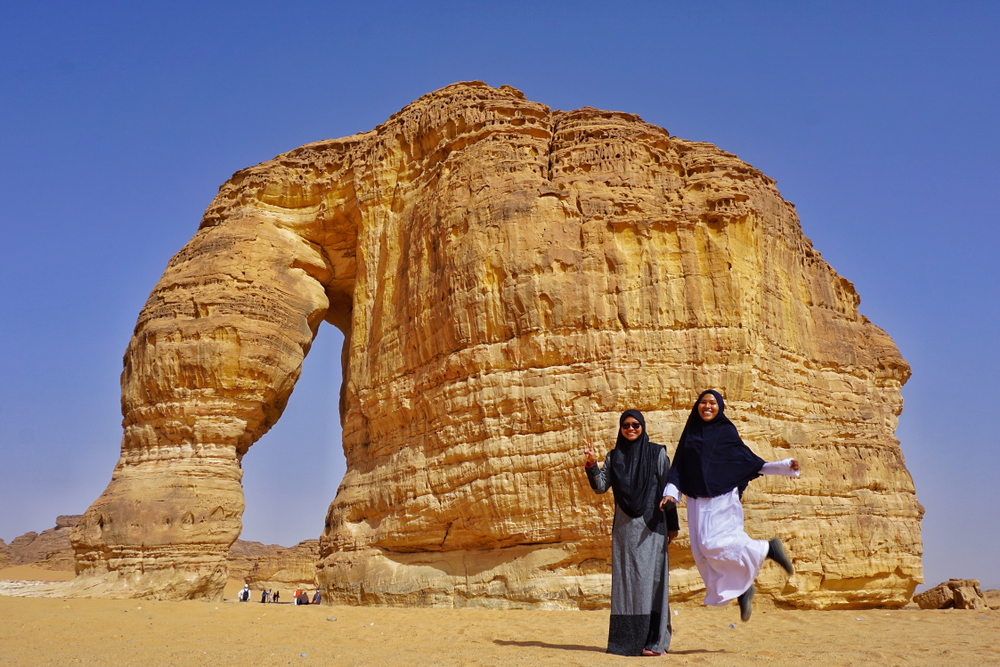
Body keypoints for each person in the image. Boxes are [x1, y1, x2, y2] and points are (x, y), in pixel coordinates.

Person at [659, 390, 799, 623]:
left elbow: (748, 462)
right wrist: (671, 493)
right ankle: (743, 590)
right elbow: (679, 466)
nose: (707, 406)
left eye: (712, 403)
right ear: (697, 406)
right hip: (696, 500)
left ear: (720, 406)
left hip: (722, 496)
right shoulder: (691, 432)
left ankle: (769, 549)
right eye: (703, 402)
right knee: (702, 552)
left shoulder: (726, 431)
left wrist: (784, 466)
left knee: (713, 544)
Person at [585, 409, 680, 656]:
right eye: (626, 425)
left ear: (642, 426)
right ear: (620, 428)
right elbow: (600, 486)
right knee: (626, 586)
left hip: (652, 528)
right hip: (625, 532)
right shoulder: (614, 457)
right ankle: (628, 642)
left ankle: (656, 642)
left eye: (635, 425)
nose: (630, 429)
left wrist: (672, 525)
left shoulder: (657, 453)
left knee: (654, 583)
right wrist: (591, 464)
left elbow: (667, 487)